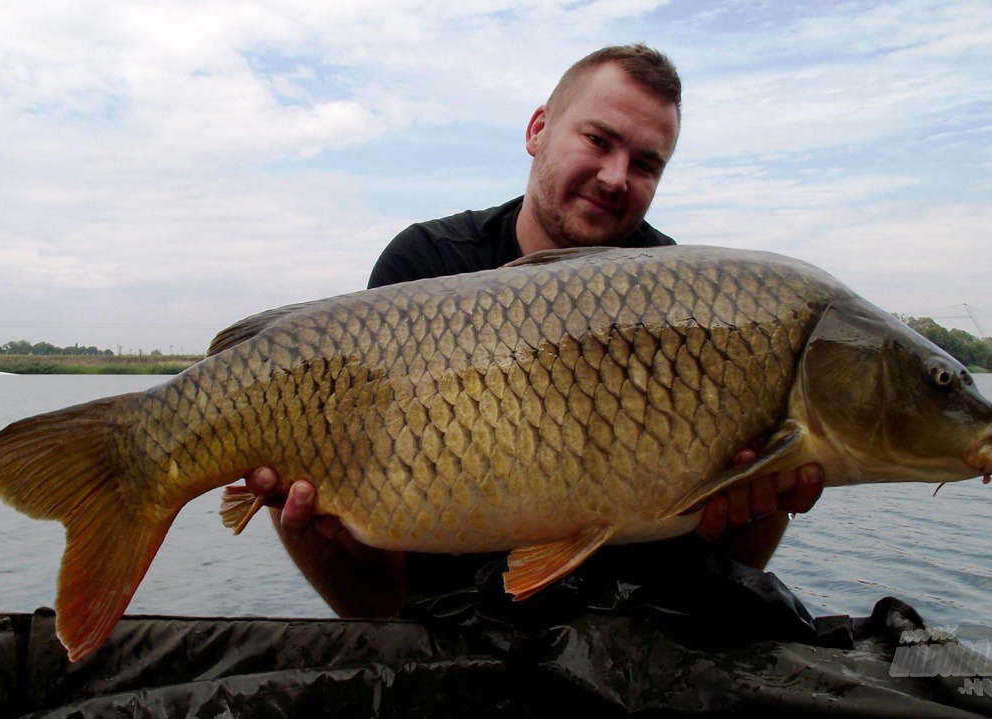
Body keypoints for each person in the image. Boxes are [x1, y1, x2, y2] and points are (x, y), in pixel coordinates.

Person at [238, 45, 823, 618]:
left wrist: (766, 500)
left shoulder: (692, 297)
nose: (616, 177)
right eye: (598, 140)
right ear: (538, 130)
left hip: (639, 633)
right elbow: (377, 589)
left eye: (646, 164)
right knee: (299, 497)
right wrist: (316, 529)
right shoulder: (427, 264)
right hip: (436, 625)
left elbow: (729, 568)